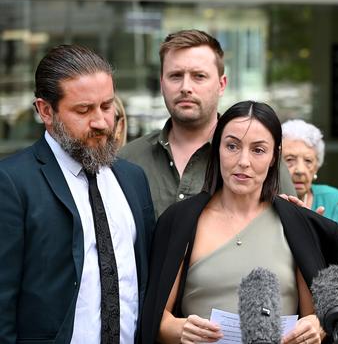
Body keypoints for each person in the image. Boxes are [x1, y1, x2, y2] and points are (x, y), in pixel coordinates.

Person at [139, 101, 338, 344]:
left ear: (273, 157)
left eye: (258, 150)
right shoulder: (180, 221)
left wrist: (316, 325)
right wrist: (179, 328)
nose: (243, 161)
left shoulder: (295, 224)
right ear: (217, 149)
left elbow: (320, 317)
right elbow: (155, 319)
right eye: (232, 146)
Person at [0, 44, 155, 343]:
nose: (101, 122)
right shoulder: (11, 183)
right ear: (45, 110)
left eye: (107, 106)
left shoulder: (133, 179)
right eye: (83, 110)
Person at [119, 29, 295, 218]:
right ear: (162, 84)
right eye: (176, 76)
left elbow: (288, 233)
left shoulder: (255, 159)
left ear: (222, 84)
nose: (186, 87)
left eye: (199, 76)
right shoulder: (128, 160)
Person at [281, 119, 338, 224]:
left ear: (316, 167)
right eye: (290, 159)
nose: (300, 170)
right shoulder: (262, 202)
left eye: (308, 161)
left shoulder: (333, 199)